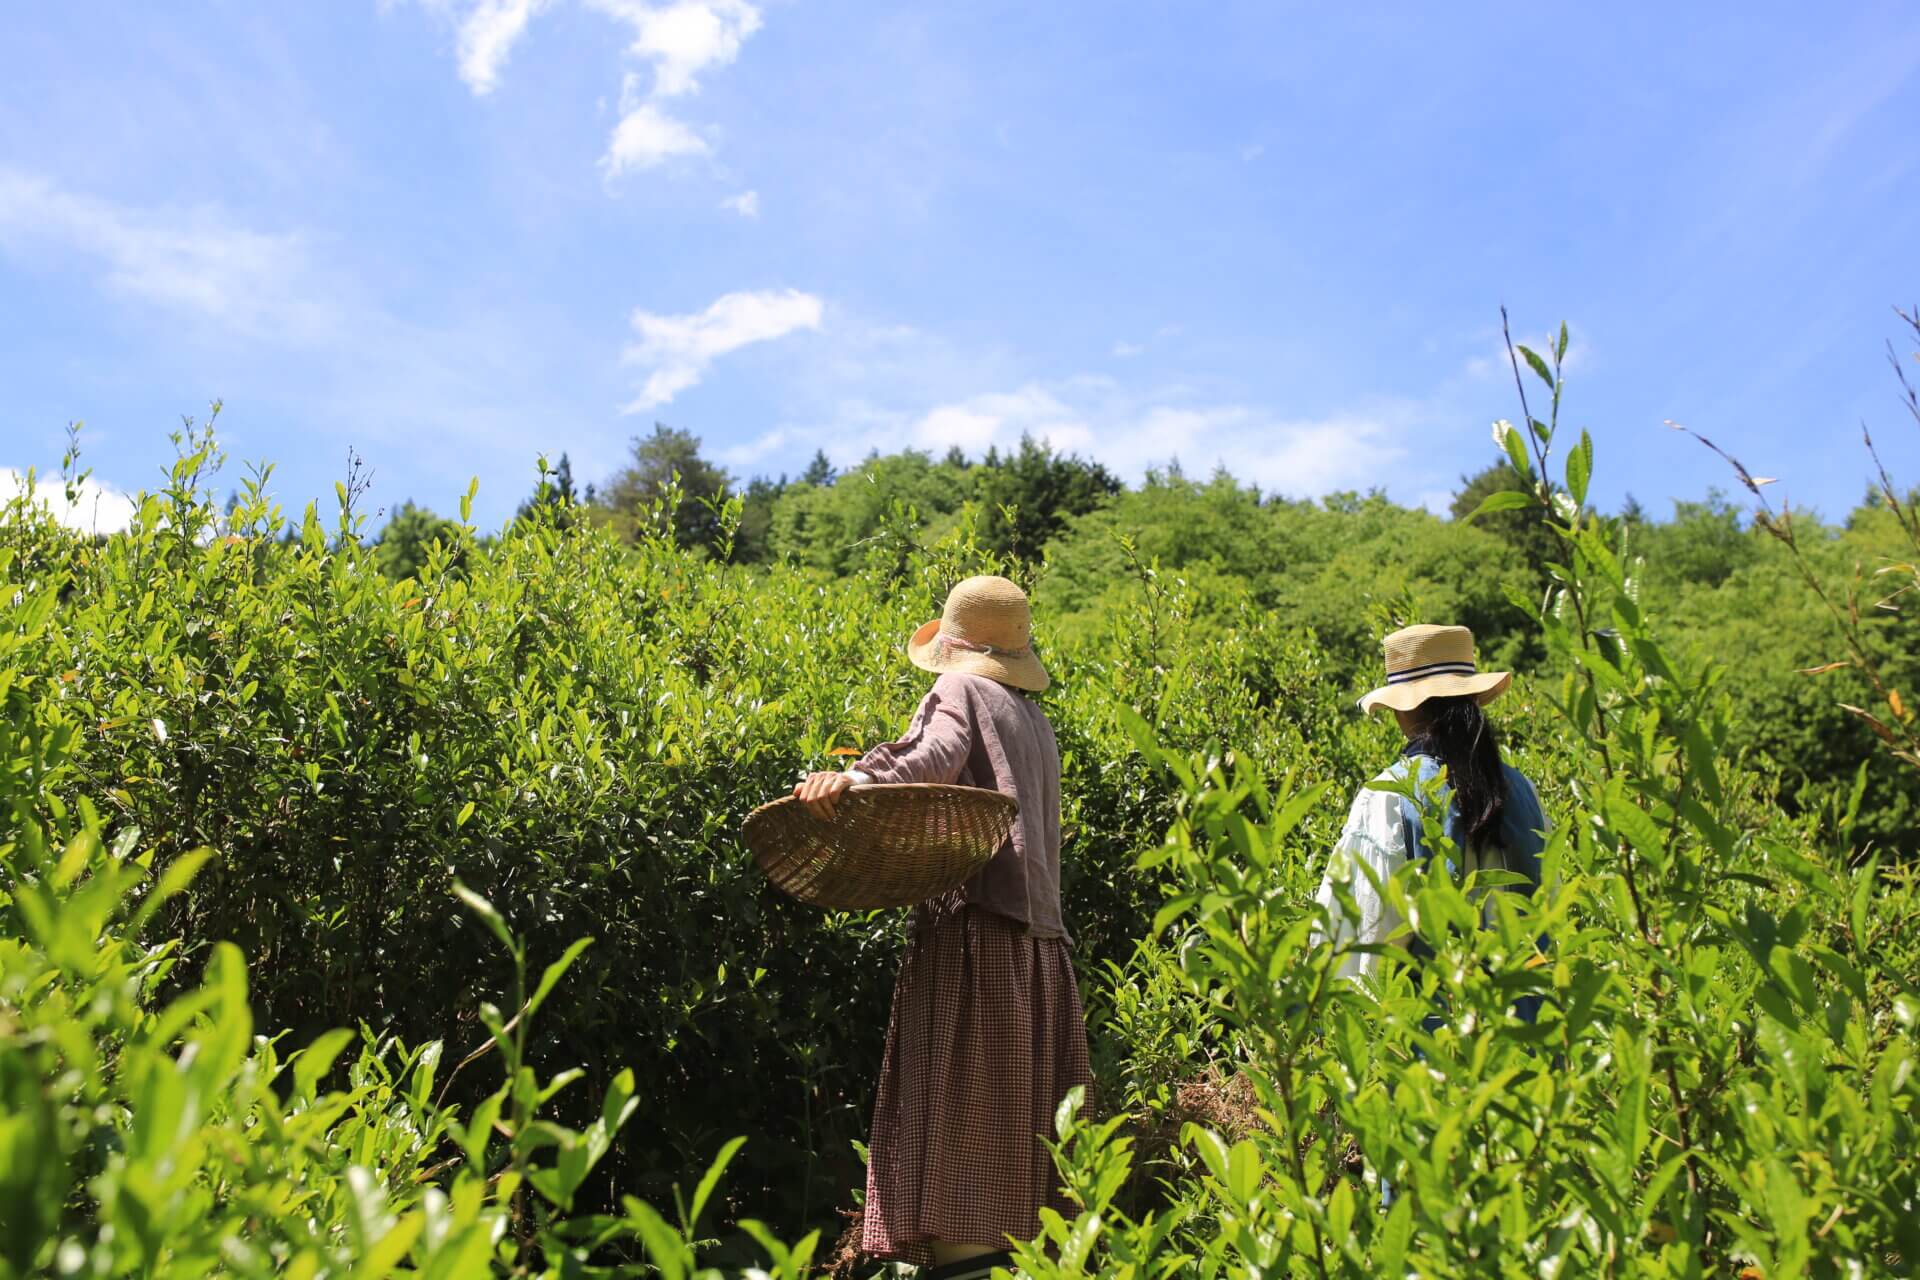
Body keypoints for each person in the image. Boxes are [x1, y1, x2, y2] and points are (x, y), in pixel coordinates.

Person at [793, 575, 1090, 1280]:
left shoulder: (961, 693)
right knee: (1015, 1169)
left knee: (964, 1169)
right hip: (1039, 957)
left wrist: (857, 781)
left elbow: (928, 755)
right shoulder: (1032, 719)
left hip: (979, 947)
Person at [1312, 623, 1548, 1006]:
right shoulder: (1523, 791)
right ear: (1473, 699)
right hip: (1533, 1034)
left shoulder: (1389, 797)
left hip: (1435, 1045)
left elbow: (1358, 933)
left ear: (1403, 710)